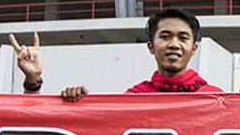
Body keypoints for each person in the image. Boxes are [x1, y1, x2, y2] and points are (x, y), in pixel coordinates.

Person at [61, 7, 221, 100]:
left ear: (194, 48)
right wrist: (78, 104)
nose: (174, 44)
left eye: (183, 38)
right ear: (151, 46)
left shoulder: (215, 98)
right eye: (165, 37)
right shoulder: (133, 98)